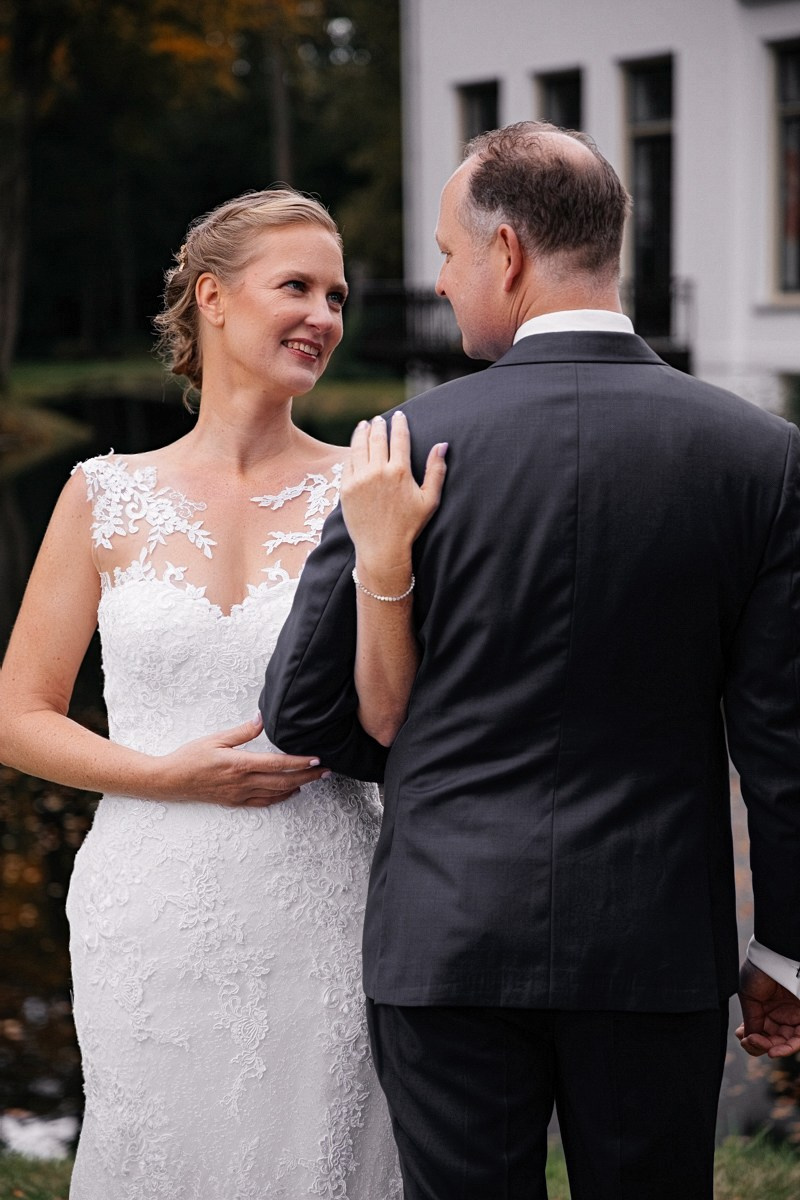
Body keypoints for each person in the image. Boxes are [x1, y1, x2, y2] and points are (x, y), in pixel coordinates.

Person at [262, 123, 800, 1200]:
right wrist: (782, 951)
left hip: (446, 936)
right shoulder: (760, 455)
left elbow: (303, 713)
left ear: (505, 253)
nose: (440, 282)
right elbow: (783, 748)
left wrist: (433, 747)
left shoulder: (401, 445)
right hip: (654, 946)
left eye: (448, 254)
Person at [0, 187, 447, 1197]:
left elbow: (397, 714)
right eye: (297, 287)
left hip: (329, 895)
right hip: (149, 903)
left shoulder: (368, 485)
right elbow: (18, 716)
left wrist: (388, 560)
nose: (323, 317)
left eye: (336, 297)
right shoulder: (100, 494)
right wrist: (168, 775)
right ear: (211, 297)